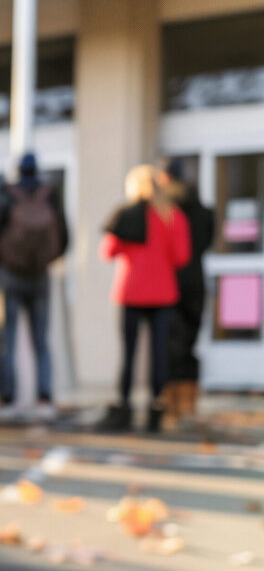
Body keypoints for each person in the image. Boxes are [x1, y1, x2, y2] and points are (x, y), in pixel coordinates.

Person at [99, 164, 192, 433]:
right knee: (158, 354)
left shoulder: (126, 215)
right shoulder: (172, 216)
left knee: (129, 354)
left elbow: (108, 252)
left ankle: (124, 406)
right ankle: (155, 409)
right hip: (163, 293)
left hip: (131, 292)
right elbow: (182, 257)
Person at [0, 152, 69, 422]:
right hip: (40, 274)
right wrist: (48, 260)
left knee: (7, 339)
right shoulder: (49, 194)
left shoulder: (8, 193)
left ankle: (8, 397)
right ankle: (44, 396)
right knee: (41, 340)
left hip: (10, 275)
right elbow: (65, 235)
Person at [157, 158, 215, 423]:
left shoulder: (167, 210)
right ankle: (189, 403)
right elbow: (208, 242)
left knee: (171, 344)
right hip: (196, 282)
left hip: (172, 282)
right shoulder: (204, 210)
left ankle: (173, 407)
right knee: (189, 341)